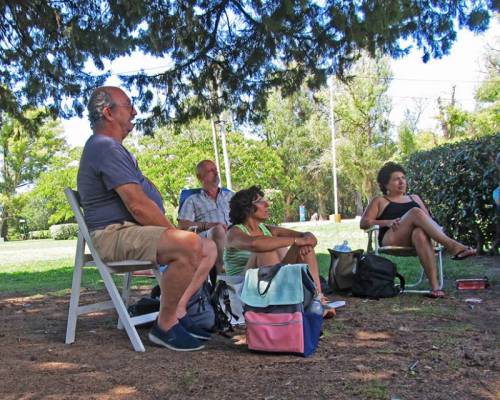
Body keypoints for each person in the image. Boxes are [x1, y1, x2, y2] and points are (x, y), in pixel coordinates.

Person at [77, 86, 217, 351]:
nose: (135, 112)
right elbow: (138, 205)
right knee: (191, 245)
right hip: (113, 234)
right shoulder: (104, 147)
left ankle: (177, 313)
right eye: (128, 106)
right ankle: (164, 328)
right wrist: (178, 235)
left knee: (209, 247)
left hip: (130, 231)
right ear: (108, 112)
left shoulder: (113, 149)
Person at [360, 162, 477, 298]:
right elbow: (364, 223)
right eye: (396, 179)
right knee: (415, 212)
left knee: (420, 233)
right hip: (392, 237)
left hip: (417, 241)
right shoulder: (380, 200)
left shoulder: (414, 198)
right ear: (386, 184)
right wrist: (387, 222)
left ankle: (435, 287)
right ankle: (453, 246)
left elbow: (427, 220)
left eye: (403, 178)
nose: (402, 181)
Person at [224, 186, 328, 303]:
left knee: (305, 248)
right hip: (243, 290)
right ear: (246, 208)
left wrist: (306, 241)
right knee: (265, 249)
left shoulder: (267, 229)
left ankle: (317, 299)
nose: (267, 204)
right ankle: (281, 305)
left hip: (270, 280)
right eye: (260, 202)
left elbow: (307, 237)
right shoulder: (233, 233)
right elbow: (255, 244)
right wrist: (295, 241)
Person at [178, 160, 234, 274]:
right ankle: (223, 281)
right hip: (208, 237)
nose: (216, 173)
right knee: (218, 230)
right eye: (210, 171)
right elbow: (182, 225)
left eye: (216, 170)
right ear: (200, 177)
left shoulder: (230, 196)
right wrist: (207, 225)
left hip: (233, 234)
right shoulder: (193, 200)